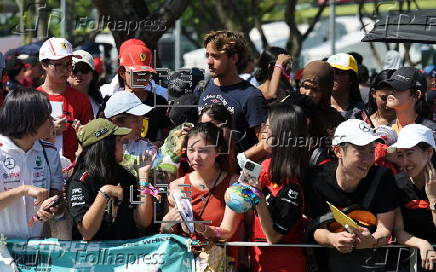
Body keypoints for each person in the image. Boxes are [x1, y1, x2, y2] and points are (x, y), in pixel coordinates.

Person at [305, 119, 398, 272]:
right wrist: (331, 238)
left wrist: (371, 240)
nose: (368, 160)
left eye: (371, 151)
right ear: (338, 151)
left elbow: (385, 229)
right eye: (360, 151)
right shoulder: (316, 178)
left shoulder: (382, 177)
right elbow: (311, 227)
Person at [161, 122, 243, 267]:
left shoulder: (234, 185)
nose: (196, 157)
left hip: (219, 264)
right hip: (183, 264)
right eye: (191, 150)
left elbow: (227, 232)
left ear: (218, 151)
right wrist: (166, 223)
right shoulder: (176, 186)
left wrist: (200, 227)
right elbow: (170, 234)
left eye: (203, 151)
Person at [244, 103, 309, 272]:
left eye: (268, 125)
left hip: (282, 265)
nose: (263, 129)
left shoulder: (292, 188)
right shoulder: (265, 165)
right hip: (258, 260)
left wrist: (256, 196)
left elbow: (273, 237)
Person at [66, 119, 153, 240]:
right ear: (105, 146)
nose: (124, 144)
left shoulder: (126, 176)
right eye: (119, 141)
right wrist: (104, 193)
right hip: (92, 256)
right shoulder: (80, 181)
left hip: (125, 254)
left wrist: (143, 176)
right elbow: (86, 232)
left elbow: (143, 221)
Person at [0, 87, 64, 239]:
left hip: (36, 248)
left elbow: (58, 201)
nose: (52, 120)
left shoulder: (50, 152)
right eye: (46, 116)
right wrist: (23, 190)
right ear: (30, 120)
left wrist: (52, 207)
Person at [198, 31, 267, 152]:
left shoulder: (251, 96)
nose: (209, 61)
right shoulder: (203, 87)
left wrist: (243, 158)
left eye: (216, 56)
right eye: (208, 55)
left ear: (234, 58)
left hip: (237, 169)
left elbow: (264, 142)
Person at [387, 124, 436, 271]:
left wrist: (433, 198)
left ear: (428, 153)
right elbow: (398, 231)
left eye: (409, 153)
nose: (404, 162)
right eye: (400, 155)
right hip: (407, 260)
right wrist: (421, 244)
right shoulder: (397, 183)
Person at [37, 37, 93, 162]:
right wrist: (49, 131)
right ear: (44, 64)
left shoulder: (81, 99)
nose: (65, 69)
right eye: (58, 64)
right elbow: (21, 139)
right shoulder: (31, 99)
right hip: (37, 170)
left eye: (68, 64)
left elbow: (90, 141)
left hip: (72, 171)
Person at [116, 40, 172, 143]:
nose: (141, 78)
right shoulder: (111, 103)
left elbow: (168, 136)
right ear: (122, 73)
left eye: (145, 73)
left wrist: (159, 144)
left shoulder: (159, 102)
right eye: (136, 73)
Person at [383, 67, 436, 136]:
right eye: (390, 86)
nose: (391, 91)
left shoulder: (430, 131)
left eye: (398, 87)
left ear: (417, 95)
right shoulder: (386, 131)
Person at [299, 60, 344, 135]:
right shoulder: (287, 112)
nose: (308, 93)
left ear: (325, 93)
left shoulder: (334, 120)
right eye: (305, 86)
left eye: (315, 90)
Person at [327, 53, 365, 119]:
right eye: (330, 72)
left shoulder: (362, 112)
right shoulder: (317, 108)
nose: (333, 77)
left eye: (338, 73)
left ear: (351, 79)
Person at [68, 50, 103, 117]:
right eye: (74, 69)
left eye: (84, 69)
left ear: (92, 75)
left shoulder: (100, 103)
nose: (79, 74)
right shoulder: (60, 99)